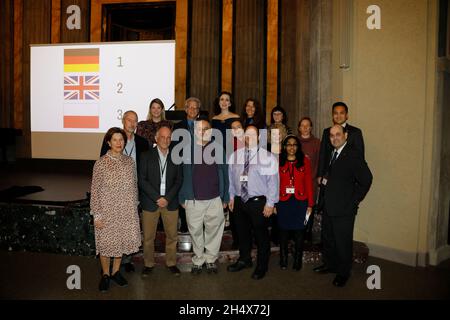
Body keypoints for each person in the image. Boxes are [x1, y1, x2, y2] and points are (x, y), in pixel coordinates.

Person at [313, 125, 372, 287]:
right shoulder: (333, 153)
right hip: (329, 206)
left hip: (344, 209)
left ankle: (343, 272)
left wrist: (354, 200)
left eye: (338, 134)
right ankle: (330, 265)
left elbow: (366, 179)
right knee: (328, 239)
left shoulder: (352, 155)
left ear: (345, 135)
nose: (334, 138)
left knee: (343, 242)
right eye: (331, 135)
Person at [91, 127, 142, 292]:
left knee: (120, 242)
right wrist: (97, 215)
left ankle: (115, 272)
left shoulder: (129, 162)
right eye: (115, 140)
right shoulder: (100, 163)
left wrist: (134, 208)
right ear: (108, 142)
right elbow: (95, 190)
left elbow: (134, 186)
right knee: (106, 244)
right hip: (107, 212)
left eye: (121, 140)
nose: (119, 143)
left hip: (126, 211)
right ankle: (105, 275)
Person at [100, 110, 149, 272]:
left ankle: (125, 260)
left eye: (135, 121)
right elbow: (102, 162)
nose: (132, 123)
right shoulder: (114, 139)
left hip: (134, 190)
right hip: (113, 192)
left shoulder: (142, 142)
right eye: (129, 120)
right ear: (123, 120)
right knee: (111, 229)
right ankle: (108, 262)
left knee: (128, 226)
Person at [227, 125, 279, 280]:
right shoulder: (234, 156)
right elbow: (231, 179)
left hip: (258, 203)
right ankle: (245, 260)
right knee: (242, 234)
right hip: (239, 200)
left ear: (259, 137)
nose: (249, 137)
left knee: (261, 236)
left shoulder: (268, 157)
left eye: (252, 134)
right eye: (246, 135)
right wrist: (231, 197)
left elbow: (273, 183)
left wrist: (271, 203)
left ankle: (262, 266)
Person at [178, 116, 229, 275]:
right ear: (194, 131)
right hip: (193, 200)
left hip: (214, 198)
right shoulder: (186, 149)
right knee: (196, 231)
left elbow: (225, 173)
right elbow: (180, 175)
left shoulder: (218, 148)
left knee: (214, 231)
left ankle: (211, 259)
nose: (203, 131)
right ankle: (198, 259)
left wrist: (225, 196)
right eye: (200, 129)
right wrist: (182, 196)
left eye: (206, 128)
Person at [138, 126, 183, 277]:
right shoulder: (145, 155)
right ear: (156, 138)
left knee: (172, 236)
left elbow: (179, 180)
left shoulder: (176, 156)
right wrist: (157, 198)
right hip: (151, 203)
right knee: (149, 237)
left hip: (170, 203)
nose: (166, 140)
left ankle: (171, 263)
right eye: (162, 137)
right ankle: (148, 264)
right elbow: (142, 180)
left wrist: (167, 198)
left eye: (168, 137)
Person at [276, 135, 314, 271]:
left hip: (300, 202)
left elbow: (309, 183)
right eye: (289, 144)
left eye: (294, 144)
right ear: (284, 147)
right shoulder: (278, 161)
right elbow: (274, 184)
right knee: (283, 232)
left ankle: (297, 259)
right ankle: (283, 259)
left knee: (299, 233)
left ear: (298, 147)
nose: (291, 147)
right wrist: (274, 203)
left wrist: (310, 204)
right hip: (283, 202)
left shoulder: (305, 161)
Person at [172, 97, 202, 233]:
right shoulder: (177, 127)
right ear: (185, 109)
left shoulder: (204, 126)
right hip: (183, 167)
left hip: (200, 167)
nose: (193, 110)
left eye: (195, 108)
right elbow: (174, 149)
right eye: (190, 107)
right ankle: (185, 227)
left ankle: (199, 226)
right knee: (185, 196)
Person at [317, 102, 365, 184]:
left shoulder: (355, 132)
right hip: (328, 176)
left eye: (341, 113)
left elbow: (359, 156)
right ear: (332, 116)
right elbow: (323, 154)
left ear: (347, 115)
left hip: (347, 176)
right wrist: (320, 174)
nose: (338, 116)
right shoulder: (326, 132)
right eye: (335, 113)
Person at [297, 117, 321, 243]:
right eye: (302, 125)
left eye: (307, 126)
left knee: (309, 207)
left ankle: (307, 233)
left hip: (311, 181)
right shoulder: (294, 141)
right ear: (299, 128)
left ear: (311, 127)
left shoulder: (317, 142)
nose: (305, 128)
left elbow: (319, 162)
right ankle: (297, 232)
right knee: (298, 207)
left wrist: (313, 176)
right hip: (296, 183)